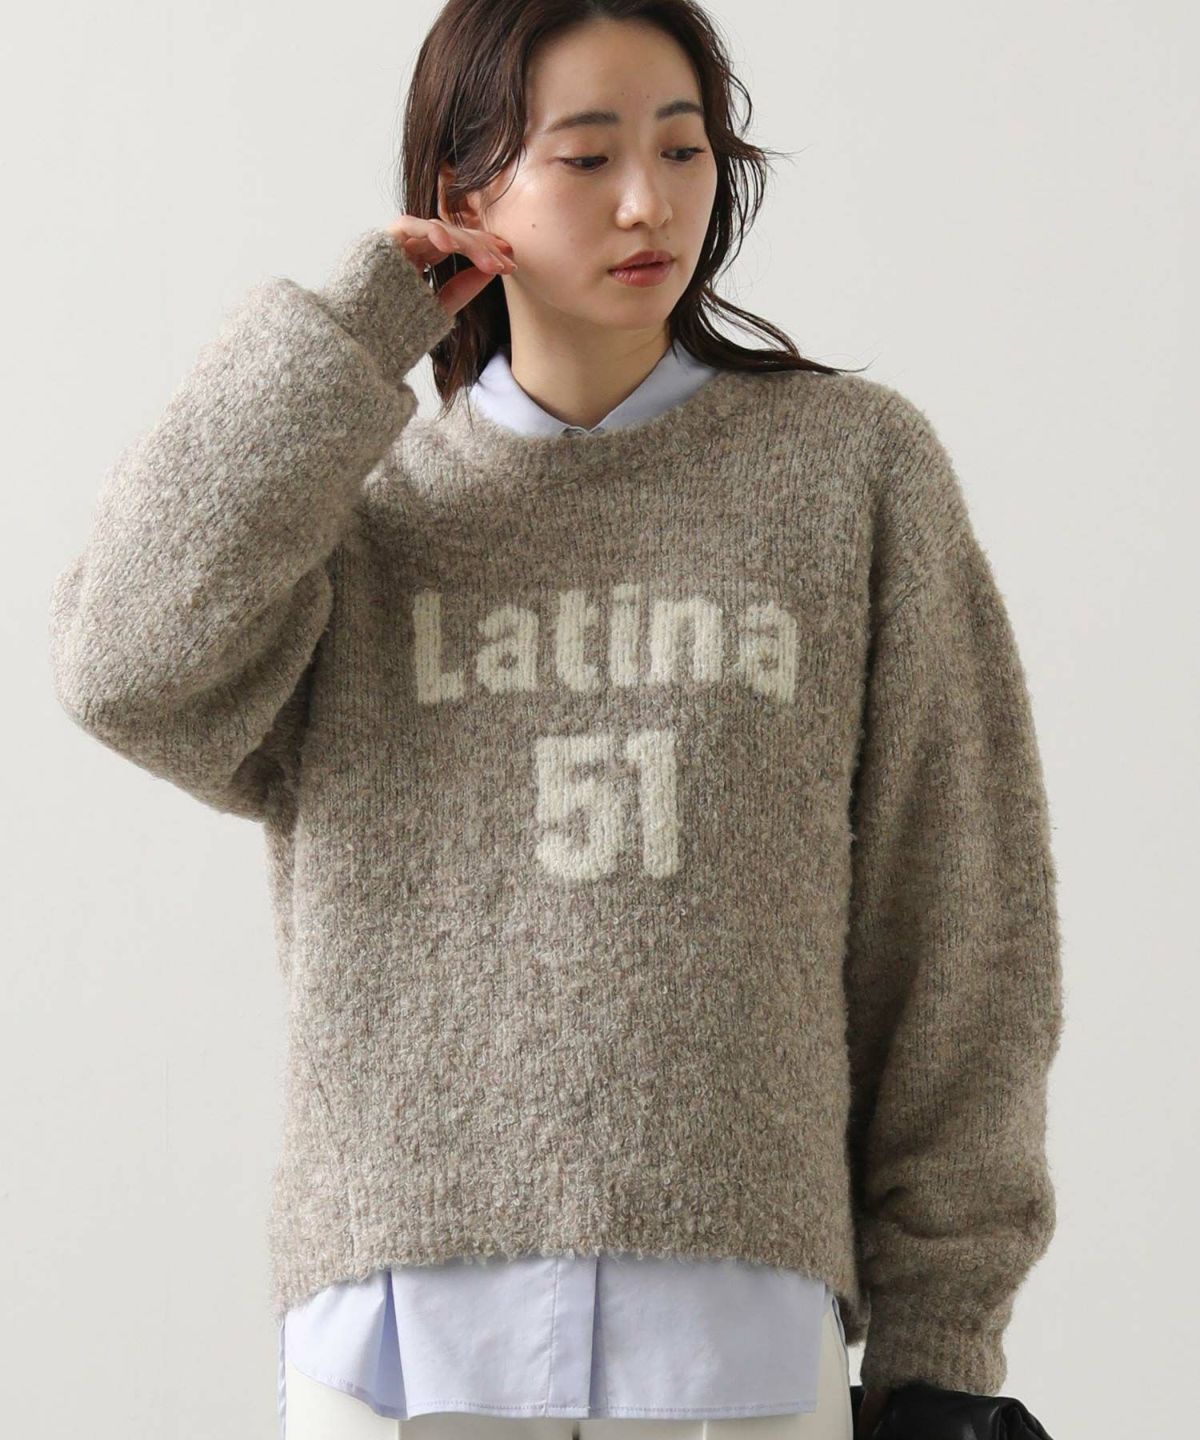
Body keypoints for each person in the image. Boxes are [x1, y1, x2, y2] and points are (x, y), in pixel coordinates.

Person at [47, 3, 1063, 1438]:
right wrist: (356, 330)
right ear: (465, 194)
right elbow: (122, 666)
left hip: (735, 1336)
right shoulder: (352, 509)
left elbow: (959, 919)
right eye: (586, 157)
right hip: (399, 1341)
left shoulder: (852, 474)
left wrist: (944, 1334)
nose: (649, 202)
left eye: (684, 149)